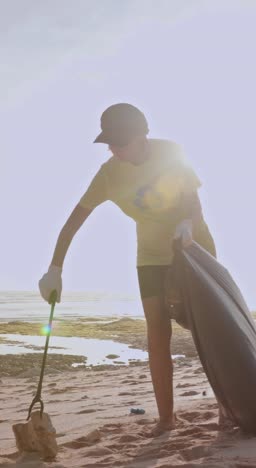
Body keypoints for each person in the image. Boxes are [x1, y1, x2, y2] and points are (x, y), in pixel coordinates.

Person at [39, 103, 217, 436]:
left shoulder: (172, 153)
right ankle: (166, 419)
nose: (113, 148)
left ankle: (225, 404)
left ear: (141, 136)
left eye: (120, 141)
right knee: (157, 333)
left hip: (195, 249)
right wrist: (55, 269)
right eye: (110, 142)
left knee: (207, 330)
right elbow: (72, 223)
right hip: (150, 256)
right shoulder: (109, 174)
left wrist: (188, 224)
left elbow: (194, 203)